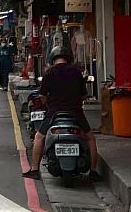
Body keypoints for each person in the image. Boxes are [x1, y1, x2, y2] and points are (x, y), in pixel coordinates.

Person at [22, 46, 100, 182]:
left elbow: (42, 96)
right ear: (68, 58)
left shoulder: (49, 73)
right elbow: (83, 95)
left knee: (39, 137)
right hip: (75, 113)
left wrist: (48, 103)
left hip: (54, 112)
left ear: (53, 58)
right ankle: (93, 171)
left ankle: (34, 170)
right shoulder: (76, 72)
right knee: (90, 138)